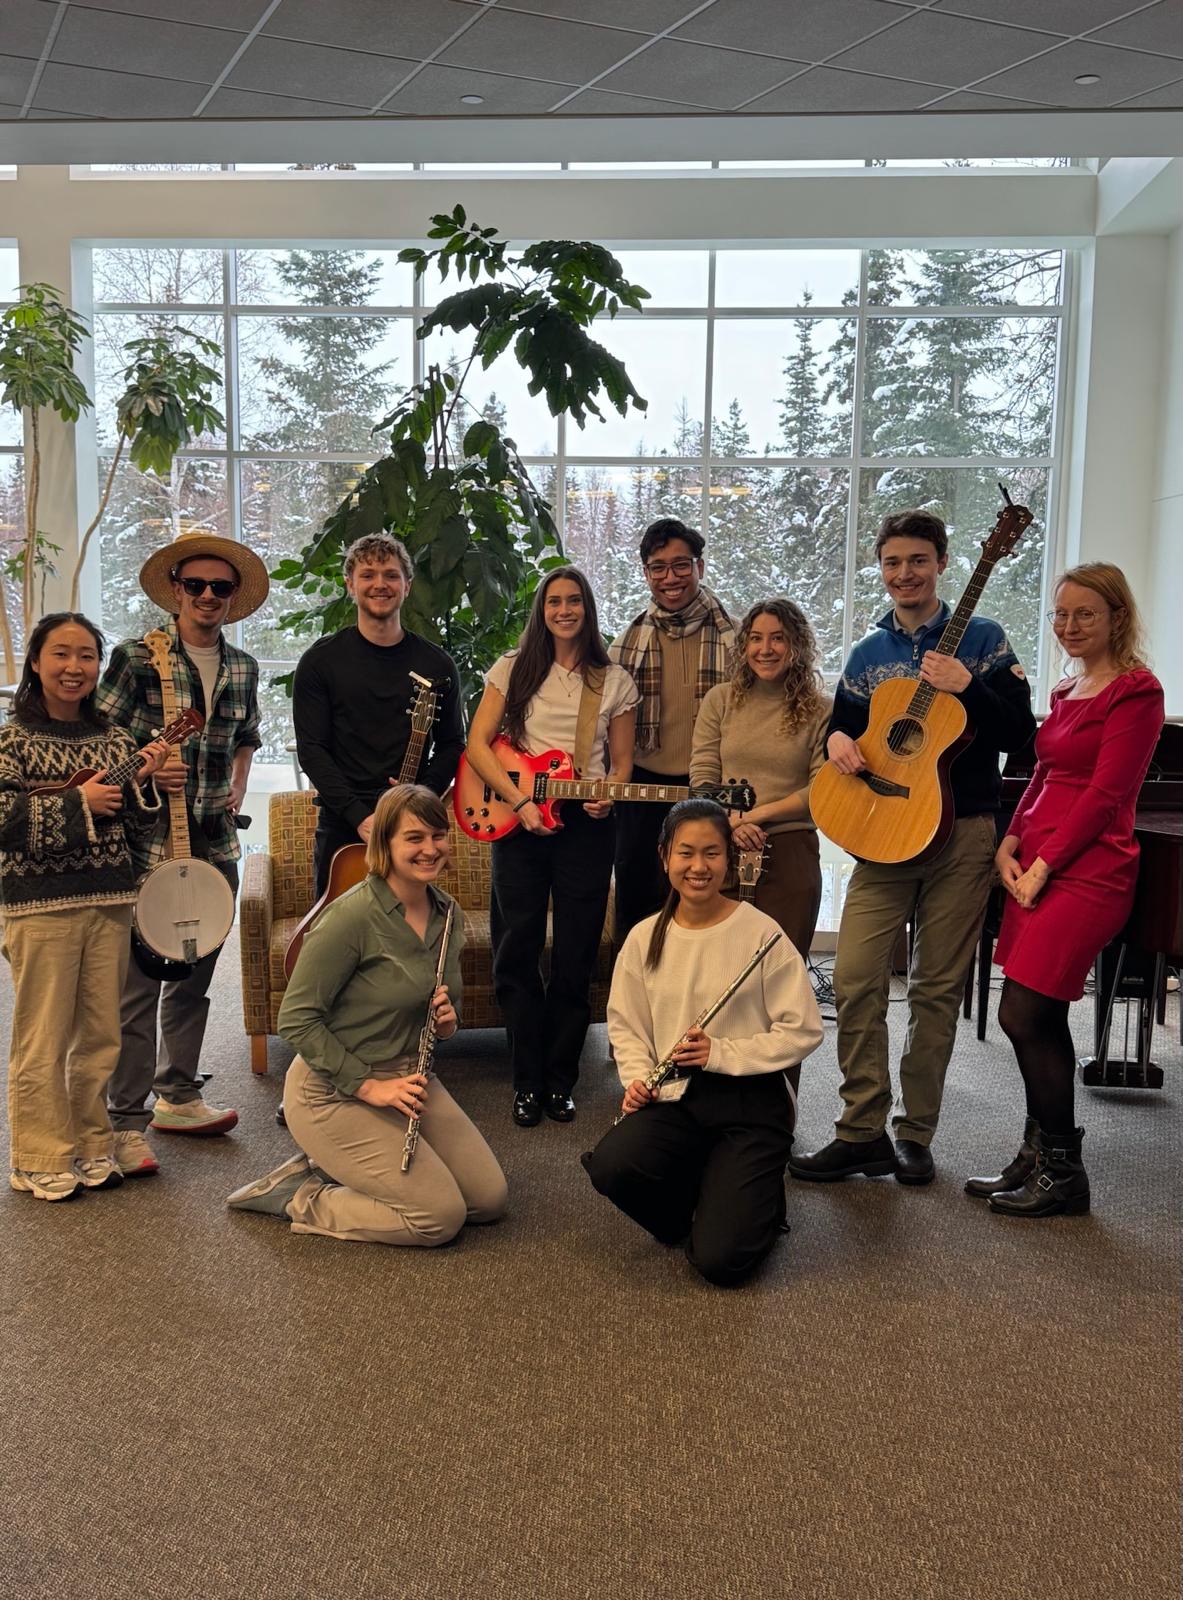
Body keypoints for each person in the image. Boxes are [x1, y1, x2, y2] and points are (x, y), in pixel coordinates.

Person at [789, 508, 1036, 1188]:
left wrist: (968, 686)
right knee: (853, 978)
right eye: (893, 562)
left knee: (934, 989)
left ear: (942, 564)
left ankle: (914, 1133)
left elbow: (1021, 734)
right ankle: (860, 1129)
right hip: (884, 834)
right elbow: (842, 728)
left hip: (963, 833)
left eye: (918, 560)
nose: (905, 573)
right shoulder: (868, 653)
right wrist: (837, 741)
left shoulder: (983, 639)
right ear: (881, 568)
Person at [228, 784, 507, 1246]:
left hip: (410, 1080)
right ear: (386, 844)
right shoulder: (351, 916)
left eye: (438, 836)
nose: (430, 848)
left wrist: (447, 1023)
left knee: (488, 1201)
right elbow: (295, 1018)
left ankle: (341, 1168)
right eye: (414, 838)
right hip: (333, 1090)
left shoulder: (447, 913)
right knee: (439, 1218)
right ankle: (300, 1194)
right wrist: (368, 1086)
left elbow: (443, 1007)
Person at [969, 563, 1163, 1217]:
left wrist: (1044, 865)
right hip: (1036, 863)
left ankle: (1064, 1171)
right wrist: (1010, 841)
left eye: (1085, 614)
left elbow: (1107, 794)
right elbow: (1043, 774)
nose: (1069, 626)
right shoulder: (1066, 687)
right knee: (1041, 1015)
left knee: (1021, 1014)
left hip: (1090, 870)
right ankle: (1036, 1156)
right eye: (1060, 614)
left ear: (1116, 617)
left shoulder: (1136, 692)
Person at [582, 799, 823, 1287]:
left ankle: (755, 1199)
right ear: (664, 856)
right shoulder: (644, 937)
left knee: (720, 1262)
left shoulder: (762, 933)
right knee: (611, 1166)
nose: (698, 866)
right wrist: (637, 1079)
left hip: (751, 1099)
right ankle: (703, 1201)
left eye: (712, 853)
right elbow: (626, 1025)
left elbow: (803, 1029)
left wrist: (722, 1052)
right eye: (686, 853)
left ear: (729, 859)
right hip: (676, 1096)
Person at [97, 530, 266, 1175]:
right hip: (147, 844)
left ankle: (178, 1094)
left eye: (220, 587)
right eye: (195, 584)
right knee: (139, 984)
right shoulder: (137, 659)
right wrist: (146, 768)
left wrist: (239, 782)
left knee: (194, 975)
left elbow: (247, 735)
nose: (207, 596)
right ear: (175, 590)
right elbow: (100, 741)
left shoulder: (243, 667)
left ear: (232, 596)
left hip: (215, 843)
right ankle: (125, 1119)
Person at [0, 614, 169, 1201]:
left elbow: (136, 826)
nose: (75, 668)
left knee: (100, 1036)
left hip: (110, 900)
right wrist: (79, 802)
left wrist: (147, 782)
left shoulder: (115, 740)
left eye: (87, 656)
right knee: (43, 1036)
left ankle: (91, 1141)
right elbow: (3, 820)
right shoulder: (11, 740)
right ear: (36, 662)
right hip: (39, 907)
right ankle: (39, 1154)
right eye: (61, 654)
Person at [465, 566, 638, 1127]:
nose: (564, 610)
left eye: (574, 601)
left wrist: (608, 795)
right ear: (541, 610)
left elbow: (622, 765)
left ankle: (561, 1080)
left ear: (588, 609)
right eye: (554, 601)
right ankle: (526, 1079)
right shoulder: (513, 669)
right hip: (519, 821)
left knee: (575, 955)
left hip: (586, 829)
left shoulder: (613, 681)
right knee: (515, 950)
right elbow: (477, 745)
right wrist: (518, 801)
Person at [293, 532, 465, 897]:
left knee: (409, 924)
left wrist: (419, 795)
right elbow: (312, 749)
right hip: (343, 823)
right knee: (337, 928)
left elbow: (452, 744)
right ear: (350, 585)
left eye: (390, 575)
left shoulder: (437, 664)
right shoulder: (320, 661)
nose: (380, 584)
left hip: (412, 823)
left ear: (407, 586)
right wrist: (359, 816)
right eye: (368, 575)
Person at [608, 518, 735, 946]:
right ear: (646, 573)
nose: (670, 577)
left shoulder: (736, 638)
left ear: (700, 567)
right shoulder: (626, 645)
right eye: (658, 567)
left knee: (705, 898)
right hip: (642, 788)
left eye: (681, 565)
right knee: (636, 900)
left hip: (711, 784)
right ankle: (635, 983)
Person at [689, 596, 831, 962]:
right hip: (722, 841)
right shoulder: (720, 700)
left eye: (778, 638)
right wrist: (731, 822)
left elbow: (822, 788)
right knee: (715, 962)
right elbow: (703, 775)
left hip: (790, 846)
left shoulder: (822, 709)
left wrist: (754, 817)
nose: (765, 649)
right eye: (755, 638)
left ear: (797, 645)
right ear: (743, 645)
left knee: (781, 965)